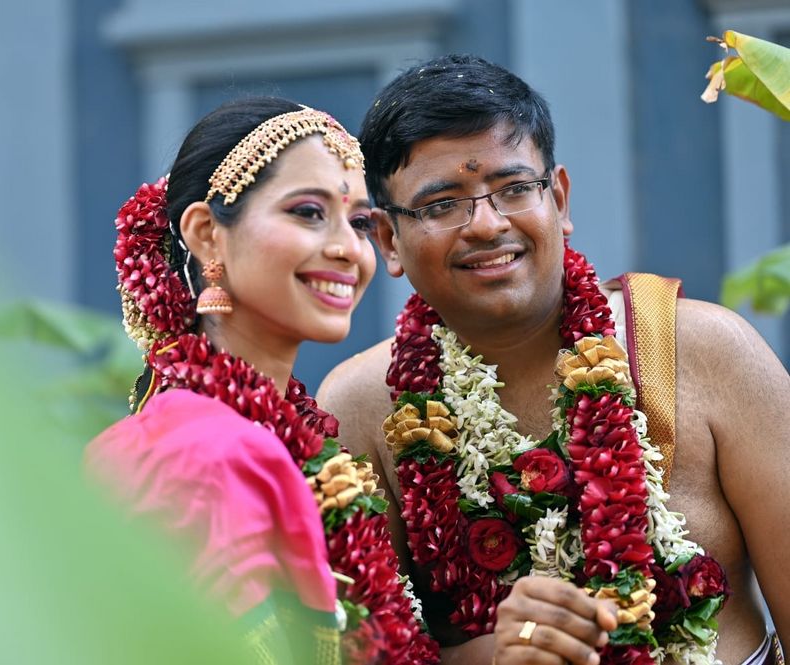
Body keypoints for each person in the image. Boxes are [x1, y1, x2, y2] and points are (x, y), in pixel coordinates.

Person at [318, 54, 789, 665]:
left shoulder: (701, 350)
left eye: (514, 189)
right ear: (388, 240)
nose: (486, 226)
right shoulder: (360, 408)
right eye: (441, 205)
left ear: (559, 201)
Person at [85, 97, 441, 664]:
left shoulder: (237, 431)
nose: (348, 250)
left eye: (357, 222)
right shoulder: (208, 456)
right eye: (307, 212)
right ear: (207, 235)